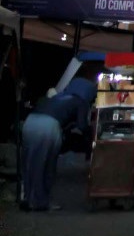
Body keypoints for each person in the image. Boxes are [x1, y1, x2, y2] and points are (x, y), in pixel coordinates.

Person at [20, 77, 97, 212]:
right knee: (46, 165)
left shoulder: (57, 97)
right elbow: (82, 125)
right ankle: (41, 202)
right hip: (48, 127)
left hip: (29, 123)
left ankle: (26, 198)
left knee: (29, 163)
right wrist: (91, 135)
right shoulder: (81, 102)